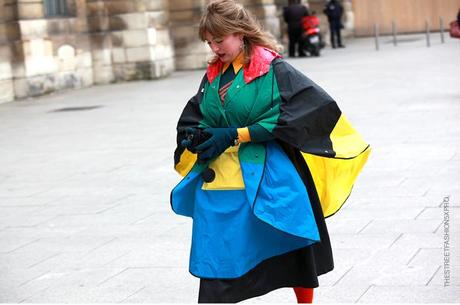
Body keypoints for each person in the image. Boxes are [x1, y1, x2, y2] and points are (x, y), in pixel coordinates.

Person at [171, 0, 370, 303]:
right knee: (214, 257)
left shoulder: (274, 69)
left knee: (292, 246)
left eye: (219, 40)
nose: (214, 48)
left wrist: (236, 134)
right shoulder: (213, 74)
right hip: (220, 181)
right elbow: (197, 114)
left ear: (240, 33)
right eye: (209, 42)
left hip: (268, 172)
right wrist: (194, 136)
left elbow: (304, 112)